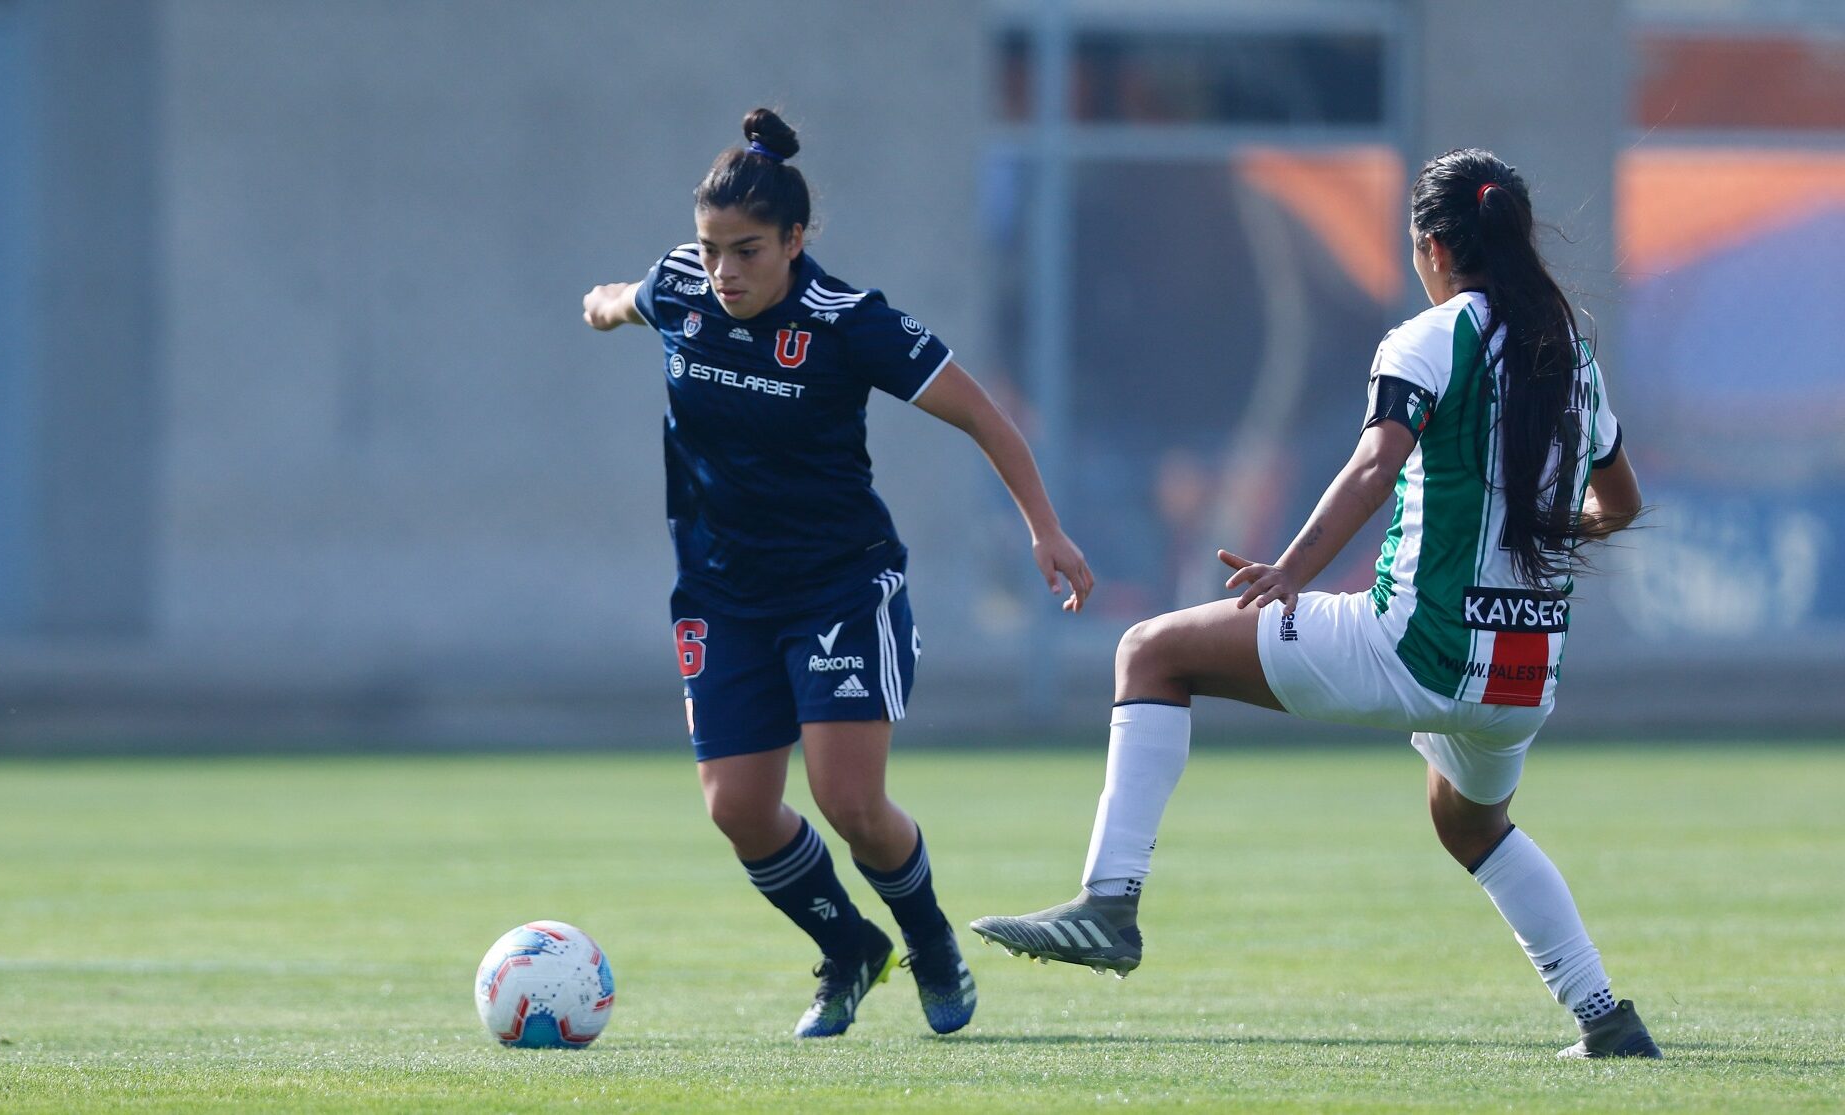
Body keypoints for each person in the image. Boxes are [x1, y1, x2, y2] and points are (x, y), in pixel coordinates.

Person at [972, 149, 1661, 1059]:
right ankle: (1607, 1018)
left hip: (1416, 644)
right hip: (1524, 673)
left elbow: (1377, 463)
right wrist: (1531, 526)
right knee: (1471, 823)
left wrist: (1292, 569)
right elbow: (1622, 506)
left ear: (1430, 246)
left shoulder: (1430, 336)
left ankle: (1109, 902)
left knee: (1150, 651)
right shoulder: (1570, 354)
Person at [581, 108, 1093, 1039]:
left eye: (746, 251)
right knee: (737, 808)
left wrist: (1045, 529)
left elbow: (984, 413)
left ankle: (929, 939)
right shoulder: (684, 288)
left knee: (848, 799)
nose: (724, 271)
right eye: (710, 249)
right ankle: (852, 948)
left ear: (794, 241)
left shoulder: (850, 323)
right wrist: (607, 301)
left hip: (838, 588)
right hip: (720, 593)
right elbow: (634, 299)